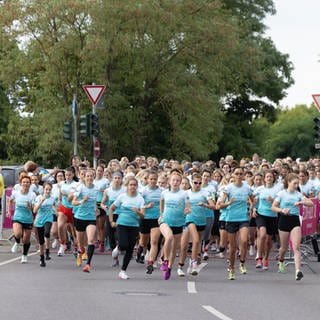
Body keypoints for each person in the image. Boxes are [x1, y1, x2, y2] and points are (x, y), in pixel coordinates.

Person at [271, 173, 313, 280]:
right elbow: (273, 207)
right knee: (284, 248)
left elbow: (311, 203)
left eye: (297, 183)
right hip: (283, 220)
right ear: (288, 182)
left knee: (296, 247)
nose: (296, 185)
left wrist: (301, 202)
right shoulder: (281, 194)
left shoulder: (298, 194)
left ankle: (298, 271)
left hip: (295, 221)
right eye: (294, 183)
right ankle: (281, 260)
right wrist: (282, 210)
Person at [220, 167, 255, 280]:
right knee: (233, 247)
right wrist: (229, 202)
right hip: (231, 219)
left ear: (243, 175)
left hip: (243, 218)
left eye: (241, 173)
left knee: (244, 240)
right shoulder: (228, 188)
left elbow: (253, 199)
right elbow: (220, 204)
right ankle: (231, 268)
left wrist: (251, 208)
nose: (239, 175)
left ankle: (242, 263)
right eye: (237, 173)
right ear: (233, 175)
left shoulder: (247, 187)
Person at [178, 173, 214, 276]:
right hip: (189, 219)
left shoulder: (205, 193)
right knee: (194, 241)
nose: (197, 184)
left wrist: (205, 204)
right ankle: (191, 264)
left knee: (194, 243)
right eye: (195, 183)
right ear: (191, 182)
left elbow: (213, 206)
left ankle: (186, 262)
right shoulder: (185, 193)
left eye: (199, 183)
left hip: (201, 220)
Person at [109, 176, 145, 279]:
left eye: (134, 185)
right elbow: (111, 208)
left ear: (137, 186)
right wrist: (112, 221)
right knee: (124, 244)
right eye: (130, 185)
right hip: (122, 224)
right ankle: (118, 247)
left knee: (130, 249)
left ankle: (123, 271)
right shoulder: (122, 196)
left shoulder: (140, 198)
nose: (132, 187)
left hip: (134, 225)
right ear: (127, 186)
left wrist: (138, 212)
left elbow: (143, 216)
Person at [159, 171, 190, 280]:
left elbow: (188, 207)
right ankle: (165, 260)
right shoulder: (164, 193)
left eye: (178, 180)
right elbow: (161, 203)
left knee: (174, 248)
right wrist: (161, 215)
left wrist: (187, 210)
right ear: (169, 181)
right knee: (169, 237)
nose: (175, 182)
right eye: (173, 180)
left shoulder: (184, 194)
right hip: (165, 221)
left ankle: (170, 267)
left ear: (180, 182)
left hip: (179, 222)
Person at [72, 170, 99, 273]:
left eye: (91, 176)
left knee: (91, 240)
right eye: (87, 176)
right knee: (81, 244)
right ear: (84, 177)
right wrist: (81, 201)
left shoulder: (96, 189)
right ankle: (80, 252)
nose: (89, 178)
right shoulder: (80, 188)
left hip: (91, 218)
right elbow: (73, 202)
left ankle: (88, 264)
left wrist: (96, 208)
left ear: (94, 177)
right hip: (80, 218)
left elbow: (95, 201)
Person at [253, 170, 280, 270]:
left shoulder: (278, 189)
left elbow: (281, 203)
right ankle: (259, 257)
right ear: (264, 179)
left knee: (268, 241)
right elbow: (252, 199)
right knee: (262, 234)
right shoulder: (259, 189)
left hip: (272, 216)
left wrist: (273, 201)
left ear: (273, 179)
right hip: (261, 214)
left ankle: (266, 258)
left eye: (271, 177)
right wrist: (254, 208)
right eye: (267, 177)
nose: (269, 178)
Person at [137, 171, 162, 274]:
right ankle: (140, 250)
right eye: (151, 179)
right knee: (143, 242)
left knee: (154, 242)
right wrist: (147, 206)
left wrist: (162, 215)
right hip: (145, 218)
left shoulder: (161, 191)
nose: (153, 181)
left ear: (157, 180)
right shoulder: (143, 191)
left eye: (155, 179)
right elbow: (138, 205)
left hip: (156, 219)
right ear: (147, 180)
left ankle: (151, 262)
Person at [7, 175, 36, 263]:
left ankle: (24, 255)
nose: (25, 184)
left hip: (28, 218)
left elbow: (34, 209)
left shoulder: (32, 194)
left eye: (27, 182)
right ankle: (17, 242)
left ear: (30, 184)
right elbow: (10, 200)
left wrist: (29, 207)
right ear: (21, 183)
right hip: (18, 217)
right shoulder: (16, 193)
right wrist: (8, 211)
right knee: (18, 233)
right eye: (24, 182)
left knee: (26, 240)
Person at [100, 171, 126, 265]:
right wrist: (103, 206)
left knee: (118, 235)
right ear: (112, 179)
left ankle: (119, 248)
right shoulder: (108, 191)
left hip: (121, 215)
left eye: (119, 178)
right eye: (115, 178)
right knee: (110, 236)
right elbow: (102, 202)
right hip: (110, 214)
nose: (117, 180)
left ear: (121, 180)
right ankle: (115, 259)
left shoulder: (124, 190)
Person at [33, 182, 57, 266]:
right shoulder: (38, 197)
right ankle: (42, 258)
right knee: (41, 241)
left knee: (47, 232)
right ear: (43, 189)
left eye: (49, 189)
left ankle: (47, 250)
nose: (48, 191)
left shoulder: (53, 198)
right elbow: (35, 210)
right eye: (46, 189)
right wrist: (41, 201)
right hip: (39, 220)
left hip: (48, 218)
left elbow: (54, 206)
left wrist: (55, 210)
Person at [57, 167, 77, 256]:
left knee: (74, 231)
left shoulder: (77, 184)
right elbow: (60, 194)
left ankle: (76, 246)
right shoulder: (61, 184)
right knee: (60, 226)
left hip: (73, 209)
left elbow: (71, 198)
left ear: (73, 175)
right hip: (63, 207)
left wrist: (68, 195)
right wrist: (59, 201)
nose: (68, 176)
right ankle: (62, 244)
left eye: (69, 175)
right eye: (66, 175)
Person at [94, 165, 109, 252]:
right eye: (98, 170)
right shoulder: (93, 180)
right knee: (95, 224)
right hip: (94, 203)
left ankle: (102, 242)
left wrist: (102, 190)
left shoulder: (105, 181)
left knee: (101, 225)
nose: (99, 172)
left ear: (103, 172)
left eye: (101, 171)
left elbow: (109, 191)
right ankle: (97, 240)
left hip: (102, 203)